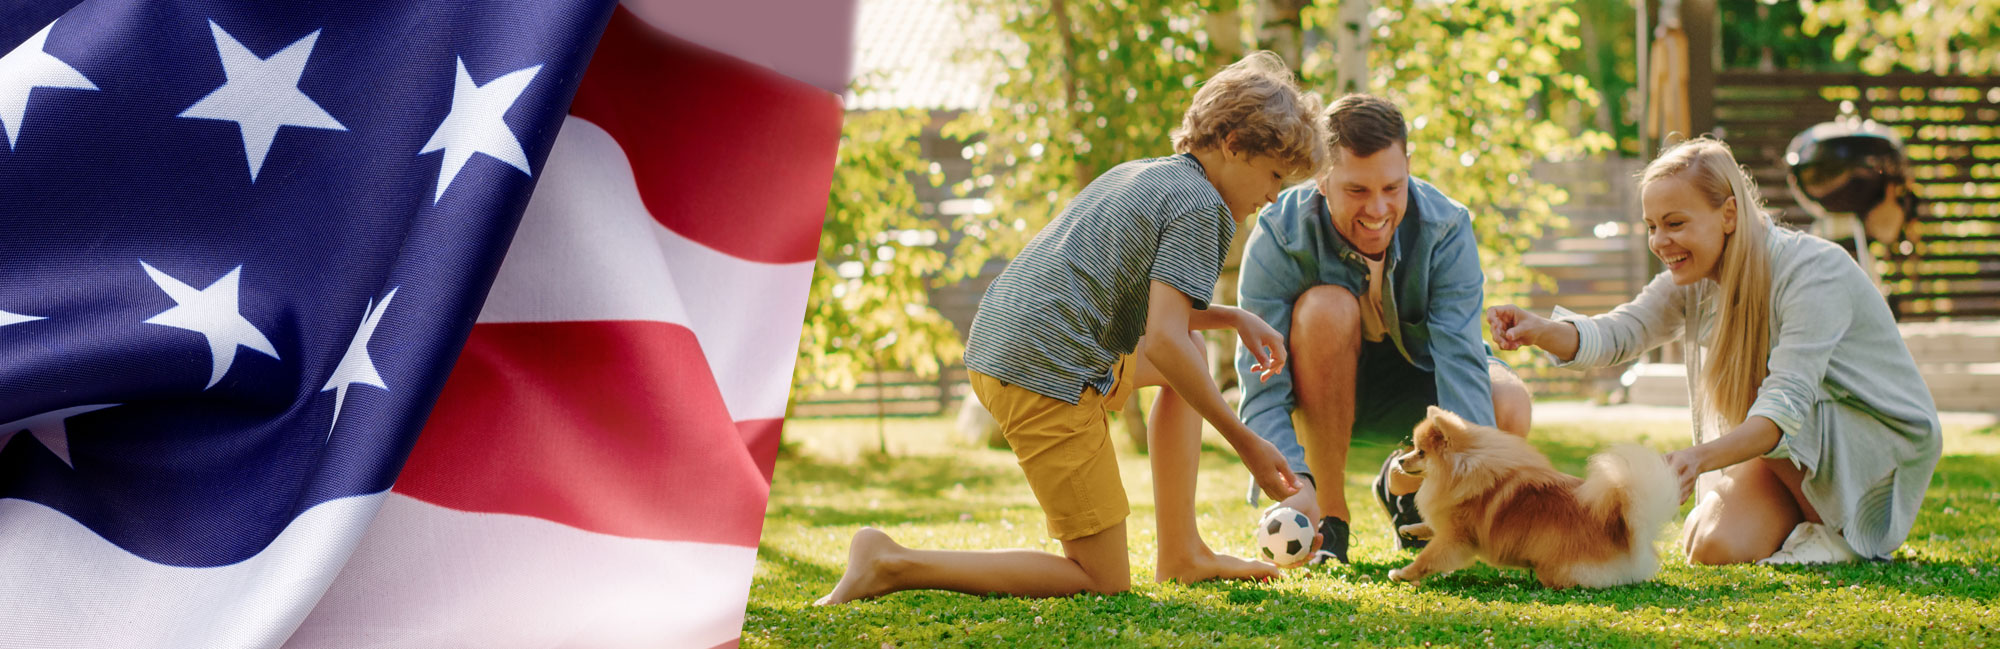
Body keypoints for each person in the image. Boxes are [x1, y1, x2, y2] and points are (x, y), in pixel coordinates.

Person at [815, 52, 1324, 605]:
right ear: (1231, 144)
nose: (1275, 194)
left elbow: (1151, 311)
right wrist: (1246, 442)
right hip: (1045, 373)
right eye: (1274, 174)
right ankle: (889, 562)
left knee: (1193, 349)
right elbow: (1162, 341)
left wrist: (1230, 315)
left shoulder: (1147, 175)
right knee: (1101, 580)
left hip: (1008, 344)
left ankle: (1183, 553)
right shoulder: (1204, 207)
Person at [1487, 137, 1942, 565]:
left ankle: (1842, 537)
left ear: (1728, 214)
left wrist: (1695, 458)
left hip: (1870, 441)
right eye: (1652, 226)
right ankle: (1808, 526)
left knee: (1765, 410)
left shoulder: (1813, 273)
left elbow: (1784, 406)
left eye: (1675, 223)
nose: (1660, 242)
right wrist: (1542, 330)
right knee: (1710, 545)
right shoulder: (1696, 279)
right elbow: (1621, 332)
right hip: (1789, 449)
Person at [1234, 94, 1533, 566]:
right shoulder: (1278, 234)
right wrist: (1295, 482)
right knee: (1325, 308)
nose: (1378, 209)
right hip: (1321, 394)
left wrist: (1471, 495)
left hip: (1421, 386)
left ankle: (1407, 495)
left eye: (1393, 188)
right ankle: (1330, 520)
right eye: (1357, 191)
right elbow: (1262, 384)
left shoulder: (1446, 225)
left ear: (1408, 166)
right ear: (1321, 175)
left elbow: (1459, 358)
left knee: (1509, 405)